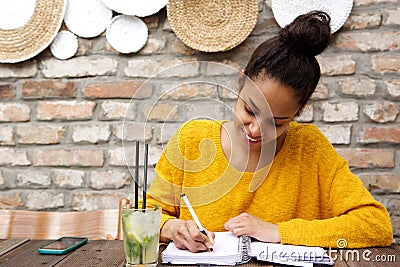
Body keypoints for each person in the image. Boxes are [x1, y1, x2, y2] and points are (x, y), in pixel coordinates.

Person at [146, 11, 393, 252]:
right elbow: (145, 216)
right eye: (250, 111)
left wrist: (278, 232)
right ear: (241, 82)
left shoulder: (309, 148)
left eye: (275, 123)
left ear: (297, 113)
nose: (255, 130)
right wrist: (172, 228)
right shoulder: (192, 139)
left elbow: (376, 225)